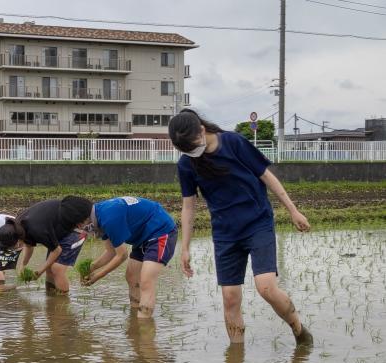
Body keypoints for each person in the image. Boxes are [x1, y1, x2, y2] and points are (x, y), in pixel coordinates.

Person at [168, 109, 313, 345]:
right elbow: (188, 207)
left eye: (193, 145)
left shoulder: (234, 143)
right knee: (230, 298)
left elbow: (267, 176)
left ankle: (298, 330)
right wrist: (184, 248)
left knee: (266, 287)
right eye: (186, 150)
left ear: (202, 131)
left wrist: (293, 210)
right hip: (225, 233)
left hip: (257, 223)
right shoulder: (187, 165)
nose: (192, 152)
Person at [82, 197, 177, 319]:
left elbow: (122, 255)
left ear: (83, 219)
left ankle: (144, 328)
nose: (82, 229)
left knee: (146, 280)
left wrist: (98, 275)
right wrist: (91, 268)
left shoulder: (109, 218)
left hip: (161, 231)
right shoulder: (100, 217)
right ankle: (135, 322)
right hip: (143, 237)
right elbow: (110, 252)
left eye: (79, 225)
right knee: (132, 277)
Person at [0, 196, 92, 295]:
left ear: (17, 239)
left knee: (57, 269)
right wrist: (22, 266)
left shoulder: (36, 229)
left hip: (75, 230)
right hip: (58, 231)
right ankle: (51, 300)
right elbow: (29, 246)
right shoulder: (18, 225)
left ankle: (62, 303)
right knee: (49, 269)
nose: (15, 248)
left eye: (14, 246)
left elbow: (57, 250)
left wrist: (39, 271)